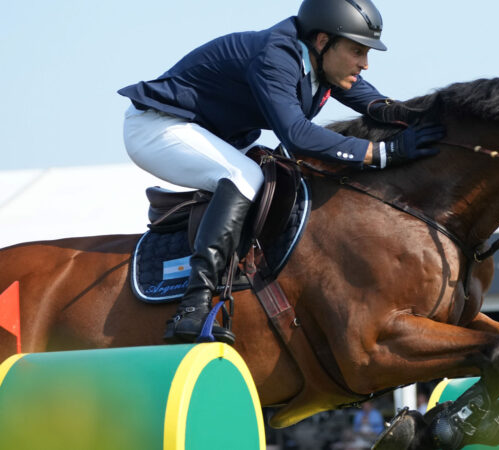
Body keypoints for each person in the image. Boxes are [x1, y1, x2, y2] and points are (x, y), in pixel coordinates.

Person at [118, 0, 444, 344]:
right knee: (246, 176)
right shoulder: (275, 57)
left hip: (207, 134)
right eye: (357, 51)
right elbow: (298, 136)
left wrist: (433, 118)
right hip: (158, 128)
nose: (364, 63)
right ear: (322, 41)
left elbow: (379, 107)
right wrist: (381, 153)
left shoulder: (322, 61)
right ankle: (192, 308)